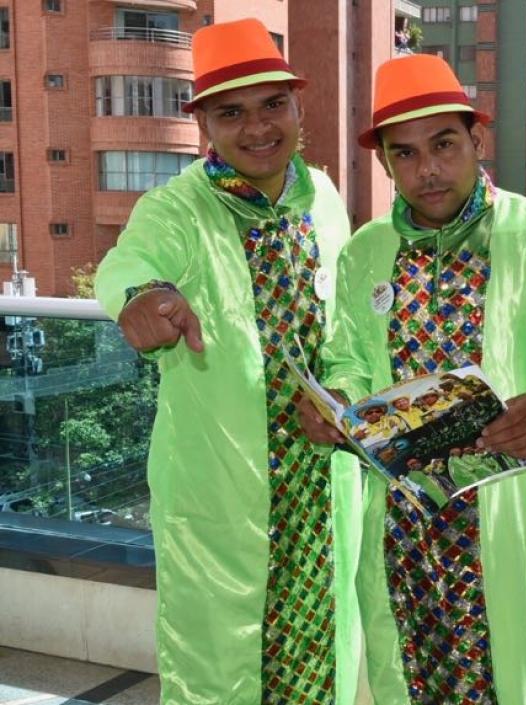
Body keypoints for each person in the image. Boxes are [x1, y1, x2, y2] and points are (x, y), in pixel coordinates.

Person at [296, 54, 526, 705]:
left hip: (519, 528)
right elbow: (347, 362)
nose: (428, 170)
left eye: (444, 144)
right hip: (406, 534)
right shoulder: (366, 253)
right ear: (387, 163)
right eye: (406, 153)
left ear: (477, 140)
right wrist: (336, 405)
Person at [93, 18, 361, 705]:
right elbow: (132, 262)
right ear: (205, 123)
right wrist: (140, 296)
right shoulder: (176, 209)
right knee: (220, 676)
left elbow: (349, 331)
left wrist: (342, 390)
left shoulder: (325, 201)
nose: (258, 128)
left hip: (316, 490)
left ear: (300, 107)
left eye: (273, 104)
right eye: (231, 112)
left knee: (316, 666)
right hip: (221, 498)